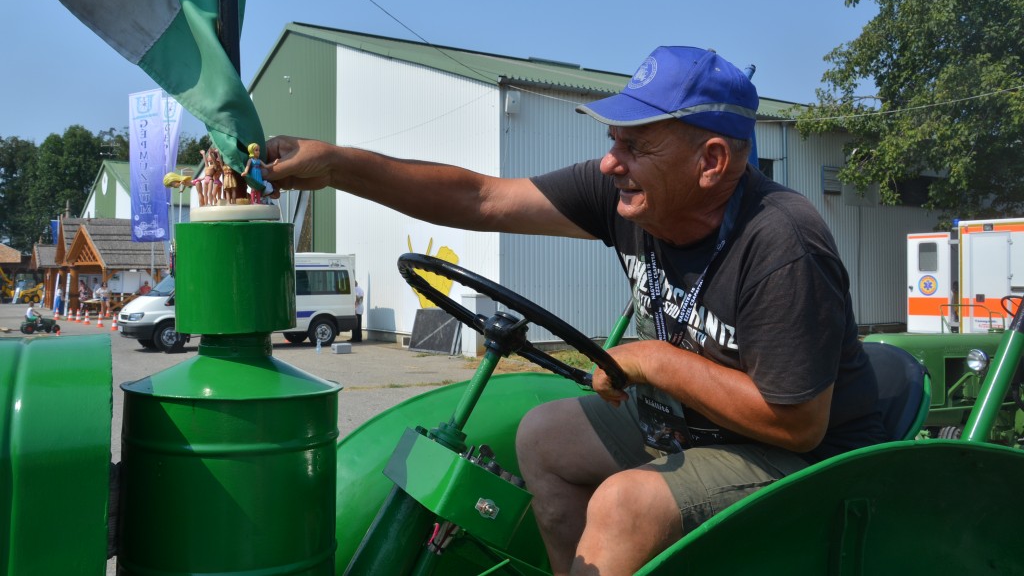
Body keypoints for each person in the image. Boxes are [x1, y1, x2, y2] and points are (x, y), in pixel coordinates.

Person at [262, 45, 886, 575]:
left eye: (636, 146)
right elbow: (481, 199)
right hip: (687, 421)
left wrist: (654, 362)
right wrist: (338, 166)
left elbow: (796, 423)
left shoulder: (781, 242)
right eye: (612, 141)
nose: (612, 163)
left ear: (713, 161)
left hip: (805, 459)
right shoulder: (626, 195)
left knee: (624, 505)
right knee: (545, 436)